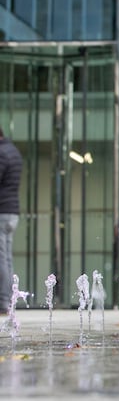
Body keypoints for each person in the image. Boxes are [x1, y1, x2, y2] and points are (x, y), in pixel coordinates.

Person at [0, 126, 22, 314]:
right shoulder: (13, 151)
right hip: (12, 213)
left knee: (1, 257)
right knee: (6, 257)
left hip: (2, 211)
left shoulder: (1, 153)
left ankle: (3, 301)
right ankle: (8, 299)